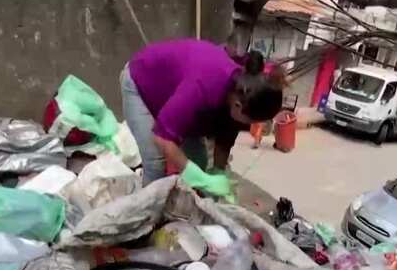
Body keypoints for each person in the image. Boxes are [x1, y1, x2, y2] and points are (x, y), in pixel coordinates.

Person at [120, 39, 286, 200]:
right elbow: (162, 138)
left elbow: (225, 136)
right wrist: (199, 179)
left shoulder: (244, 90)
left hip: (175, 92)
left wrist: (218, 173)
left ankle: (191, 206)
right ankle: (149, 216)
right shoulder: (202, 87)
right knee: (156, 163)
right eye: (250, 121)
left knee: (198, 159)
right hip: (141, 80)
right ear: (237, 105)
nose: (249, 126)